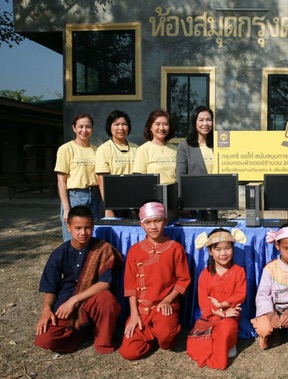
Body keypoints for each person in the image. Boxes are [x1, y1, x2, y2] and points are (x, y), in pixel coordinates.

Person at [34, 205, 123, 354]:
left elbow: (105, 284)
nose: (83, 232)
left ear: (93, 227)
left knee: (106, 299)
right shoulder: (60, 253)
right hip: (65, 304)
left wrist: (74, 300)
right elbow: (50, 287)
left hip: (92, 299)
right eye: (78, 228)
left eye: (87, 227)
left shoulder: (103, 249)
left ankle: (103, 340)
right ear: (68, 227)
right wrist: (46, 309)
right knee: (45, 339)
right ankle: (80, 331)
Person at [118, 201, 191, 360]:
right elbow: (130, 286)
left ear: (165, 221)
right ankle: (149, 333)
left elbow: (183, 280)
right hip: (142, 308)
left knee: (167, 341)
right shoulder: (135, 250)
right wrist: (134, 314)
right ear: (141, 225)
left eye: (157, 221)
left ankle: (157, 333)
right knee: (129, 352)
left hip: (164, 306)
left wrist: (167, 300)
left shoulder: (175, 248)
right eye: (147, 222)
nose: (153, 226)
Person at [187, 228, 247, 370]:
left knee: (226, 327)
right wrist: (219, 312)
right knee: (193, 347)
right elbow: (203, 301)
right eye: (218, 249)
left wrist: (223, 305)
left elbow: (240, 294)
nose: (223, 253)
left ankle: (225, 347)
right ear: (210, 251)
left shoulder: (239, 271)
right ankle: (224, 344)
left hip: (231, 314)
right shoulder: (205, 274)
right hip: (212, 316)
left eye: (227, 248)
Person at [54, 113, 100, 241]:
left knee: (92, 234)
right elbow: (61, 181)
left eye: (88, 127)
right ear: (74, 128)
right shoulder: (66, 149)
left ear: (92, 129)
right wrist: (67, 207)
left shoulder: (97, 150)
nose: (84, 130)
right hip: (75, 196)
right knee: (73, 237)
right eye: (80, 127)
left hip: (95, 196)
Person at [95, 110, 139, 218]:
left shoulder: (136, 148)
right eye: (116, 124)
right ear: (109, 127)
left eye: (124, 124)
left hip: (134, 201)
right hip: (113, 200)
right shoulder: (104, 149)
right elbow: (101, 179)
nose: (121, 128)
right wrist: (108, 207)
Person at [132, 109, 177, 184]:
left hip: (174, 193)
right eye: (157, 124)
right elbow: (139, 179)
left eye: (165, 124)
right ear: (150, 127)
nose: (161, 128)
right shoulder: (143, 149)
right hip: (154, 194)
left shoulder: (175, 149)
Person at [177, 106, 215, 178]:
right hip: (196, 188)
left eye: (208, 120)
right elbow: (180, 176)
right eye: (201, 120)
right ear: (194, 122)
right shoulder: (184, 147)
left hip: (220, 187)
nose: (205, 123)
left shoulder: (219, 145)